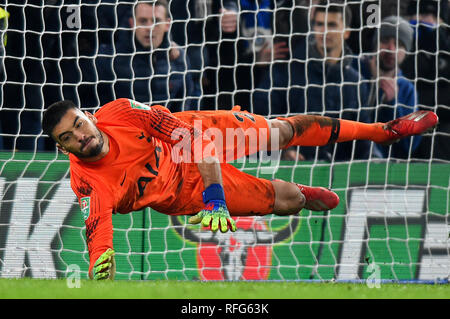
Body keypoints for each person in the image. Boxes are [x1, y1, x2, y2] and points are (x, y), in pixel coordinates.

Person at [42, 97, 438, 280]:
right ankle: (301, 192)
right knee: (288, 201)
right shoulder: (87, 181)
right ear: (63, 150)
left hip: (196, 134)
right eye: (70, 138)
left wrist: (216, 198)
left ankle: (383, 132)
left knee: (280, 132)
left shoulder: (122, 112)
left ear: (90, 116)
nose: (82, 136)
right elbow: (99, 232)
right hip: (185, 194)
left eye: (79, 124)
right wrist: (101, 266)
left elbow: (190, 138)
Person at [253, 0, 372, 161]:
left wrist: (374, 159)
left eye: (331, 25)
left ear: (347, 32)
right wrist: (282, 152)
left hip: (337, 175)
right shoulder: (285, 71)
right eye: (319, 24)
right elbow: (261, 120)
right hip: (289, 172)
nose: (324, 31)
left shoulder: (356, 83)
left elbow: (362, 141)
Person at [95, 0, 200, 112]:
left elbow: (185, 107)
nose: (149, 28)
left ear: (167, 24)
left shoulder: (179, 58)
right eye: (143, 21)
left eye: (156, 21)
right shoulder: (109, 58)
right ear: (132, 23)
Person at [355, 16, 421, 159]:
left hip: (384, 170)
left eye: (399, 44)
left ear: (407, 51)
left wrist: (393, 105)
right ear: (375, 44)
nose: (391, 49)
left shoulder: (407, 89)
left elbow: (410, 146)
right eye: (385, 41)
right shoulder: (354, 69)